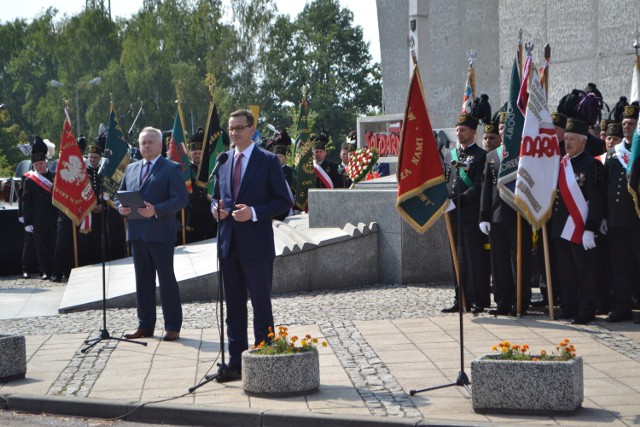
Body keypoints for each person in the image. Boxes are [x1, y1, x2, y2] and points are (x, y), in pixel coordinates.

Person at [212, 109, 290, 380]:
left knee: (260, 304)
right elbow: (216, 198)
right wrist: (216, 209)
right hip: (229, 244)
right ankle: (236, 362)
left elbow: (283, 202)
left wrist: (254, 212)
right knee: (233, 307)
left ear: (252, 128)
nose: (234, 133)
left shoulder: (267, 161)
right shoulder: (222, 161)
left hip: (256, 245)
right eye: (231, 129)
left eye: (240, 128)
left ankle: (263, 359)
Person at [115, 126, 189, 342]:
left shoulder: (171, 168)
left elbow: (180, 199)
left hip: (160, 233)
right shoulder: (131, 168)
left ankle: (172, 326)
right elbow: (119, 195)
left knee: (166, 281)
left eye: (150, 142)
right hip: (137, 233)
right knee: (142, 281)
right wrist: (120, 207)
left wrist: (156, 209)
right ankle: (145, 325)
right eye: (143, 143)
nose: (146, 146)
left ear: (160, 145)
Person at [550, 118, 605, 325]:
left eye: (572, 139)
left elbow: (597, 200)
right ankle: (569, 306)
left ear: (583, 141)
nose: (568, 143)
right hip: (561, 227)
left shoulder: (593, 165)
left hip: (582, 229)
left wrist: (591, 228)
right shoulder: (560, 163)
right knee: (566, 273)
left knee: (586, 273)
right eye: (566, 139)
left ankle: (586, 310)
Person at [479, 121, 532, 316]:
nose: (503, 131)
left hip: (520, 214)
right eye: (500, 128)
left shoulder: (525, 153)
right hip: (496, 215)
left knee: (520, 261)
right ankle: (502, 302)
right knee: (498, 262)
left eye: (506, 127)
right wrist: (483, 216)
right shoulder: (492, 156)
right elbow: (486, 187)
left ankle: (521, 302)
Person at [441, 113, 489, 314]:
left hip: (470, 214)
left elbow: (479, 186)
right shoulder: (451, 155)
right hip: (452, 213)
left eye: (463, 130)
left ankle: (478, 299)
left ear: (473, 133)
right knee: (456, 257)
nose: (459, 134)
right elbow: (445, 180)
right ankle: (459, 298)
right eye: (457, 130)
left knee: (473, 258)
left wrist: (458, 201)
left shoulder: (481, 156)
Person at [602, 114, 640, 322]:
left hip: (637, 220)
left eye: (632, 123)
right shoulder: (613, 155)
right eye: (624, 123)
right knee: (620, 267)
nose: (627, 126)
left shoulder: (638, 151)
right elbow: (605, 188)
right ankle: (622, 307)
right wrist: (604, 217)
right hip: (616, 220)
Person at [21, 137, 58, 280]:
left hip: (53, 215)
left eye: (41, 164)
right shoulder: (30, 180)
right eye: (36, 165)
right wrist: (28, 222)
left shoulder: (53, 177)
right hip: (38, 218)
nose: (39, 167)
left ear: (45, 163)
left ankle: (55, 269)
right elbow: (26, 202)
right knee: (40, 246)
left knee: (54, 244)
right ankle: (44, 270)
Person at [185, 127, 217, 243]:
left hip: (209, 213)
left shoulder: (210, 169)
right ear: (190, 153)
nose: (197, 155)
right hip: (192, 213)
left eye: (200, 153)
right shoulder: (185, 170)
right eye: (195, 153)